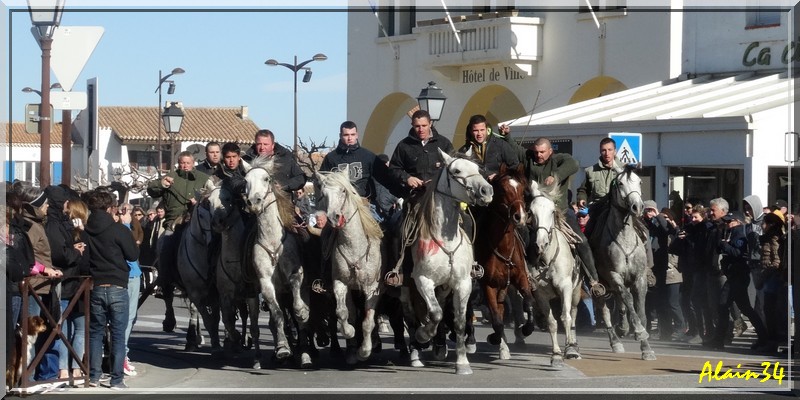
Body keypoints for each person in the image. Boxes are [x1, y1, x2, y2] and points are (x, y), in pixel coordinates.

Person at [385, 110, 454, 286]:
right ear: (412, 126)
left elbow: (453, 167)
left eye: (424, 125)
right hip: (415, 199)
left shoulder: (444, 143)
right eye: (417, 126)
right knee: (399, 231)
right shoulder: (404, 146)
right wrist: (407, 178)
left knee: (467, 223)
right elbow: (393, 169)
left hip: (441, 198)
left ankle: (470, 265)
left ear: (430, 123)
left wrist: (437, 179)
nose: (420, 129)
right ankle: (398, 270)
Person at [524, 137, 601, 293]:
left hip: (562, 213)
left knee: (582, 241)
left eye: (542, 152)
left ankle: (593, 281)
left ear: (550, 151)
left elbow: (574, 164)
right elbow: (515, 149)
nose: (539, 155)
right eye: (536, 152)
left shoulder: (559, 160)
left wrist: (555, 175)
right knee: (522, 239)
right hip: (537, 214)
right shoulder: (529, 162)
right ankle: (526, 278)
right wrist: (506, 136)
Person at [83, 189, 138, 389]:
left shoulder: (86, 232)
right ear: (110, 208)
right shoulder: (118, 230)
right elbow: (133, 255)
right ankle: (116, 379)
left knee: (96, 332)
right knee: (117, 334)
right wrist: (125, 224)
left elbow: (84, 259)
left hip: (96, 285)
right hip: (117, 285)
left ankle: (94, 376)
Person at [710, 210, 768, 351]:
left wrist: (725, 245)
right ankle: (764, 337)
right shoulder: (729, 233)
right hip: (734, 275)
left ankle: (719, 339)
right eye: (727, 221)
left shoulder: (740, 234)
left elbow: (738, 253)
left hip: (738, 276)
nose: (727, 224)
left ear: (738, 222)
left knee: (723, 306)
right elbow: (721, 249)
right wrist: (722, 243)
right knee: (745, 308)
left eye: (730, 221)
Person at [321, 121, 392, 222]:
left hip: (365, 205)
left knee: (385, 232)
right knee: (325, 235)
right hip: (339, 207)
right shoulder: (331, 158)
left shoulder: (368, 156)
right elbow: (322, 184)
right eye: (346, 135)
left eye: (352, 134)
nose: (350, 138)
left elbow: (387, 177)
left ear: (357, 135)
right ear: (340, 135)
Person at [576, 137, 624, 237]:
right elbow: (583, 190)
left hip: (621, 209)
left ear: (615, 151)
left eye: (610, 150)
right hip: (598, 209)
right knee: (587, 236)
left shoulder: (624, 170)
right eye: (604, 150)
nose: (607, 153)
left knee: (642, 230)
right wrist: (582, 199)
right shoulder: (591, 171)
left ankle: (648, 252)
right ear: (600, 151)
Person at [457, 114, 519, 181]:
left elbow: (515, 166)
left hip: (498, 188)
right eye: (476, 130)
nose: (479, 134)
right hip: (476, 189)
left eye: (482, 130)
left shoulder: (500, 145)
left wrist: (499, 176)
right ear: (470, 131)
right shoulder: (463, 151)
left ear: (487, 129)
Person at [242, 129, 306, 193]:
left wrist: (283, 185)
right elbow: (237, 179)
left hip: (283, 201)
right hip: (253, 200)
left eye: (265, 144)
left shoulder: (285, 158)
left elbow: (301, 178)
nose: (262, 148)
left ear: (273, 145)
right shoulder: (247, 160)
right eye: (259, 144)